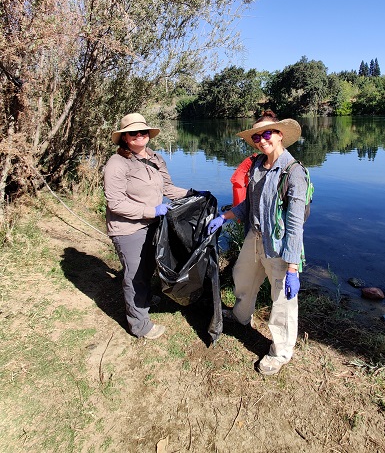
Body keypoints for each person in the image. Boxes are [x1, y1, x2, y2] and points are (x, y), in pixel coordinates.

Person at [208, 110, 307, 375]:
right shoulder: (256, 165)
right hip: (254, 236)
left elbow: (296, 225)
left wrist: (292, 268)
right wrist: (225, 216)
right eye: (257, 136)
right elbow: (249, 206)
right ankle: (241, 317)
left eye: (267, 133)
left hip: (279, 245)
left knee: (282, 300)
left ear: (279, 135)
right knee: (243, 277)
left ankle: (281, 351)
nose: (261, 140)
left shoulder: (293, 172)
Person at [104, 112, 202, 340]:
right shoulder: (117, 163)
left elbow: (167, 188)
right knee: (135, 275)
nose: (139, 136)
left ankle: (144, 300)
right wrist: (151, 211)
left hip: (154, 226)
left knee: (148, 268)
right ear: (125, 138)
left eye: (143, 131)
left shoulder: (156, 158)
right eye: (133, 133)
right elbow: (115, 202)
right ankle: (139, 325)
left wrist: (191, 193)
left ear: (149, 134)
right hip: (128, 229)